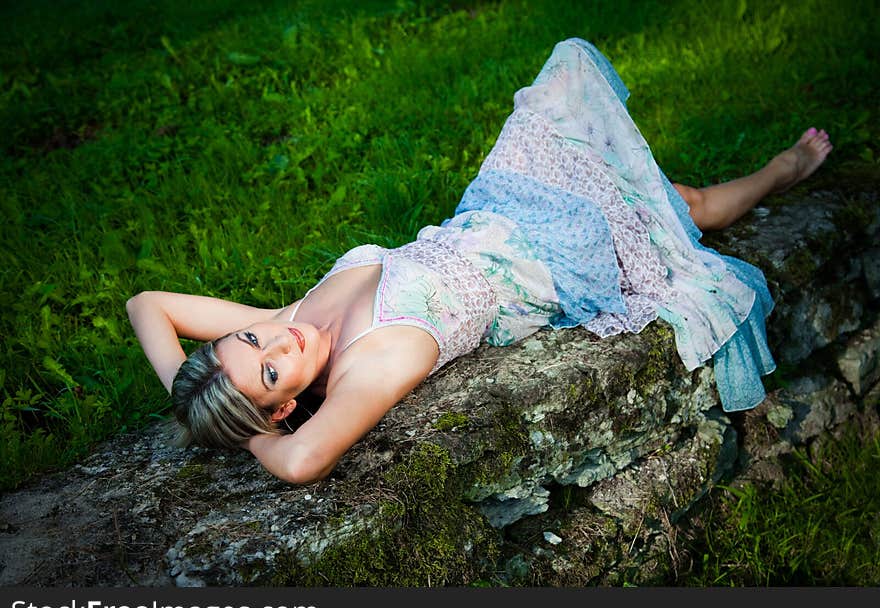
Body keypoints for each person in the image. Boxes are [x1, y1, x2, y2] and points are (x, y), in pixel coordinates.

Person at [126, 39, 832, 485]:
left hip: (494, 205)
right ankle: (783, 169)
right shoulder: (369, 366)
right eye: (272, 370)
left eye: (250, 341)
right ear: (282, 407)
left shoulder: (292, 322)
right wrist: (248, 429)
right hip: (555, 257)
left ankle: (754, 175)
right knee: (687, 206)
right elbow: (303, 461)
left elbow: (146, 305)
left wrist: (200, 397)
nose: (276, 340)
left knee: (568, 64)